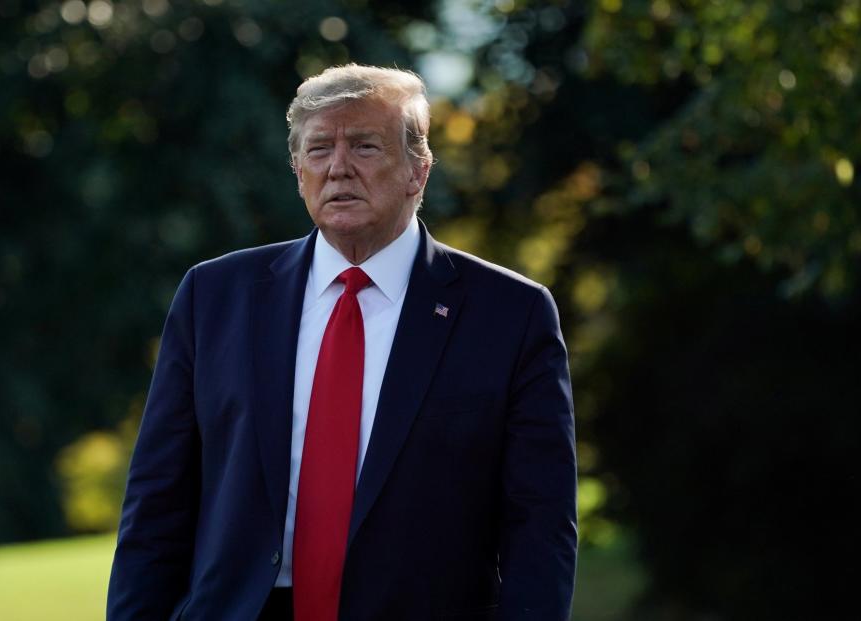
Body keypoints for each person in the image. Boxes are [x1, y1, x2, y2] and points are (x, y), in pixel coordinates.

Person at [107, 64, 577, 620]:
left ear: (418, 171)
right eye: (319, 149)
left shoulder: (510, 313)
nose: (338, 168)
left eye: (365, 146)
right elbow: (156, 505)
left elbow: (540, 523)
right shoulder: (214, 295)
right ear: (297, 170)